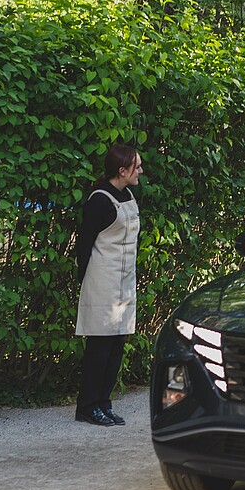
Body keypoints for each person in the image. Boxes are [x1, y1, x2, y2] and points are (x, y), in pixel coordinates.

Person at [74, 143, 144, 426]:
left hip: (124, 280)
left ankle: (104, 402)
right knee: (99, 347)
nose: (140, 171)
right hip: (102, 280)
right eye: (137, 166)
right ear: (122, 170)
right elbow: (84, 245)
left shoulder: (128, 196)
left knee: (116, 346)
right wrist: (86, 281)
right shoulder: (99, 200)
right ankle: (87, 406)